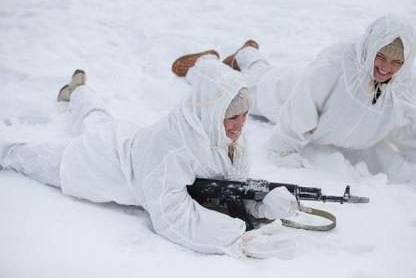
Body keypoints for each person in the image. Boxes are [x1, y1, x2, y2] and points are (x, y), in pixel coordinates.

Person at [0, 55, 299, 259]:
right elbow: (172, 215)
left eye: (244, 114)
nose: (240, 124)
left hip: (127, 139)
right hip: (98, 164)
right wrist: (236, 238)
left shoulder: (225, 130)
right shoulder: (174, 145)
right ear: (211, 112)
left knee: (96, 118)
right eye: (232, 117)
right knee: (23, 156)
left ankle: (77, 91)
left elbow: (227, 186)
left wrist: (261, 205)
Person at [218, 15, 416, 179]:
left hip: (310, 106)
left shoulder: (404, 81)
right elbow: (302, 103)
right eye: (381, 56)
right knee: (245, 89)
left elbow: (413, 118)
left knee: (261, 74)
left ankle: (247, 54)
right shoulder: (336, 63)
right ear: (371, 48)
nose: (387, 68)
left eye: (397, 62)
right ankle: (207, 63)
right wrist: (284, 148)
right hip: (286, 93)